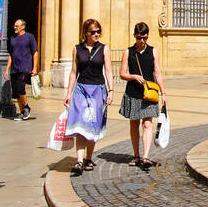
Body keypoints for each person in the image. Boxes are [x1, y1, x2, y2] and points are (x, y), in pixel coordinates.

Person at [63, 19, 113, 176]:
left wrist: (111, 90)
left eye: (98, 31)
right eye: (93, 32)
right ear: (85, 33)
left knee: (92, 124)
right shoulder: (77, 49)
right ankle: (79, 160)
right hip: (81, 89)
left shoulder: (104, 49)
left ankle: (89, 158)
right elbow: (73, 72)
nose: (96, 34)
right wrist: (68, 93)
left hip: (98, 90)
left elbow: (109, 71)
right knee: (79, 125)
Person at [119, 22, 167, 171]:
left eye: (145, 38)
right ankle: (136, 155)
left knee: (147, 124)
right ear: (134, 36)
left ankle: (145, 157)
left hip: (149, 93)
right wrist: (133, 76)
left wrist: (163, 93)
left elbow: (157, 73)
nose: (142, 41)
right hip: (133, 92)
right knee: (134, 124)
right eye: (139, 38)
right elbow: (122, 74)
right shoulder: (128, 52)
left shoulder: (153, 51)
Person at [4, 17, 38, 120]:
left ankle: (26, 107)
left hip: (25, 68)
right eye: (14, 26)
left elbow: (35, 52)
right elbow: (11, 54)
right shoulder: (12, 38)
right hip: (14, 68)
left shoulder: (29, 37)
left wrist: (35, 68)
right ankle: (22, 111)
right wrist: (7, 69)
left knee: (20, 89)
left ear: (23, 27)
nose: (15, 27)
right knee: (15, 93)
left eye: (17, 26)